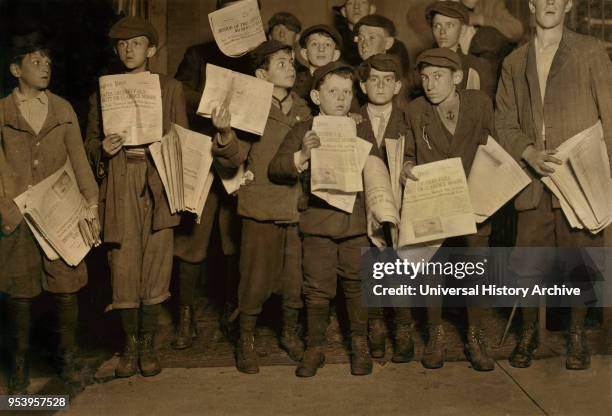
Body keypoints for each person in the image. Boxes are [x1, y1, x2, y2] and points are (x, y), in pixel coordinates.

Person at [495, 0, 612, 370]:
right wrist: (528, 152)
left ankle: (576, 338)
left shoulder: (590, 52)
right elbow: (503, 123)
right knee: (529, 261)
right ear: (531, 5)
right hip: (535, 182)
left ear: (568, 4)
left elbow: (610, 115)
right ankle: (529, 334)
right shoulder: (514, 62)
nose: (548, 3)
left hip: (581, 178)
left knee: (581, 260)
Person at [85, 16, 188, 378]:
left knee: (157, 262)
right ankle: (129, 347)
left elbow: (184, 140)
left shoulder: (171, 88)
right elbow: (89, 144)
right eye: (122, 45)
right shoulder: (103, 90)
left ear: (152, 50)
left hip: (158, 177)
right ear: (116, 50)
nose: (129, 50)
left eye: (137, 43)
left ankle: (149, 346)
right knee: (123, 263)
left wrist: (170, 148)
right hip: (119, 177)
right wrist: (103, 148)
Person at [0, 33, 99, 393]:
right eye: (35, 62)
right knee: (20, 292)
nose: (45, 68)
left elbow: (80, 161)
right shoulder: (2, 112)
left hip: (59, 215)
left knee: (67, 285)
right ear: (16, 69)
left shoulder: (62, 109)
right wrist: (6, 209)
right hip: (18, 216)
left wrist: (90, 203)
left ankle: (68, 357)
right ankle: (20, 365)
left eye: (48, 62)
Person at [269, 61, 376, 377]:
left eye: (347, 91)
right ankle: (314, 346)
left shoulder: (361, 127)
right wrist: (302, 155)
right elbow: (276, 168)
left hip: (355, 222)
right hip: (317, 221)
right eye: (333, 91)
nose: (341, 98)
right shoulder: (303, 129)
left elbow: (377, 170)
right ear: (316, 96)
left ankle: (360, 344)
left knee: (356, 283)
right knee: (316, 288)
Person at [212, 40, 312, 374]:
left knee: (294, 277)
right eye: (281, 62)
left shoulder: (304, 108)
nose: (290, 67)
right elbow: (235, 158)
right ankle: (247, 338)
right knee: (254, 278)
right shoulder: (250, 107)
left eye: (291, 62)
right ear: (261, 73)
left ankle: (289, 332)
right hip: (261, 202)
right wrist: (225, 132)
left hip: (296, 204)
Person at [401, 48, 496, 371]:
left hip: (475, 202)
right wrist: (407, 165)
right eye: (425, 77)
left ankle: (475, 335)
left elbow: (495, 145)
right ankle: (435, 335)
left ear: (457, 77)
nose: (430, 84)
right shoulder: (415, 110)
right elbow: (408, 151)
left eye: (438, 76)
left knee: (475, 271)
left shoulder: (480, 104)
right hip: (435, 202)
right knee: (432, 270)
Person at [173, 0, 256, 347]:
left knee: (235, 240)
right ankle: (185, 314)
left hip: (242, 158)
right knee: (193, 241)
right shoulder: (197, 54)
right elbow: (178, 94)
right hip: (203, 157)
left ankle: (233, 311)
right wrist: (216, 101)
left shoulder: (257, 56)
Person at [356, 54, 414, 363]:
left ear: (398, 86)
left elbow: (416, 154)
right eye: (374, 79)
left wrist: (409, 164)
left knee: (398, 266)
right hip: (361, 206)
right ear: (363, 85)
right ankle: (375, 325)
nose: (380, 85)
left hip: (398, 205)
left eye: (387, 79)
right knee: (369, 265)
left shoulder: (408, 119)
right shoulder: (350, 119)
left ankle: (403, 328)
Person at [425, 1, 496, 99]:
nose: (442, 32)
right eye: (437, 25)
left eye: (449, 25)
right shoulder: (423, 67)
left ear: (462, 30)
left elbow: (486, 109)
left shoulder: (478, 66)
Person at [293, 25, 342, 101]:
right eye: (314, 44)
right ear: (304, 53)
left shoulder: (344, 82)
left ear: (336, 54)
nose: (321, 49)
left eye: (327, 44)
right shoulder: (294, 83)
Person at [332, 0, 377, 66]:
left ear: (371, 9)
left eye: (362, 2)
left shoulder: (383, 40)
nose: (356, 7)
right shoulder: (333, 41)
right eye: (350, 3)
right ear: (343, 12)